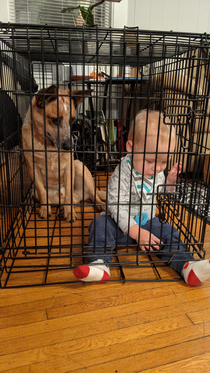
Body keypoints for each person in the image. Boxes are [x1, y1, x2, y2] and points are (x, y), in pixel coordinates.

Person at [74, 110, 210, 285]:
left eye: (163, 161)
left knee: (169, 231)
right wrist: (135, 231)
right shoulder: (122, 172)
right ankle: (99, 265)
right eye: (151, 161)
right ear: (131, 148)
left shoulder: (157, 172)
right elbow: (115, 205)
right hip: (119, 225)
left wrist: (169, 183)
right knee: (99, 225)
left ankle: (186, 265)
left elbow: (161, 192)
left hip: (147, 223)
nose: (157, 168)